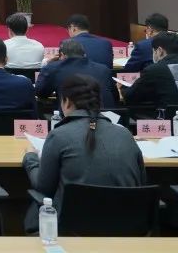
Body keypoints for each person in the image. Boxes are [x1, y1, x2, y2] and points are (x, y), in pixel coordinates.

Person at [22, 74, 145, 230]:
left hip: (72, 227)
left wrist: (30, 158)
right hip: (126, 227)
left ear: (66, 102)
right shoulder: (125, 134)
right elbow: (141, 182)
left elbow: (43, 187)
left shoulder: (59, 135)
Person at [121, 32, 178, 109]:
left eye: (154, 51)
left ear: (160, 51)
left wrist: (121, 88)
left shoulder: (154, 70)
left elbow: (130, 97)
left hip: (172, 121)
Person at [36, 39, 116, 108]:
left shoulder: (53, 68)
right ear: (84, 55)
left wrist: (48, 64)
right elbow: (115, 96)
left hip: (73, 116)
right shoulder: (104, 69)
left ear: (62, 55)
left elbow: (40, 92)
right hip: (107, 116)